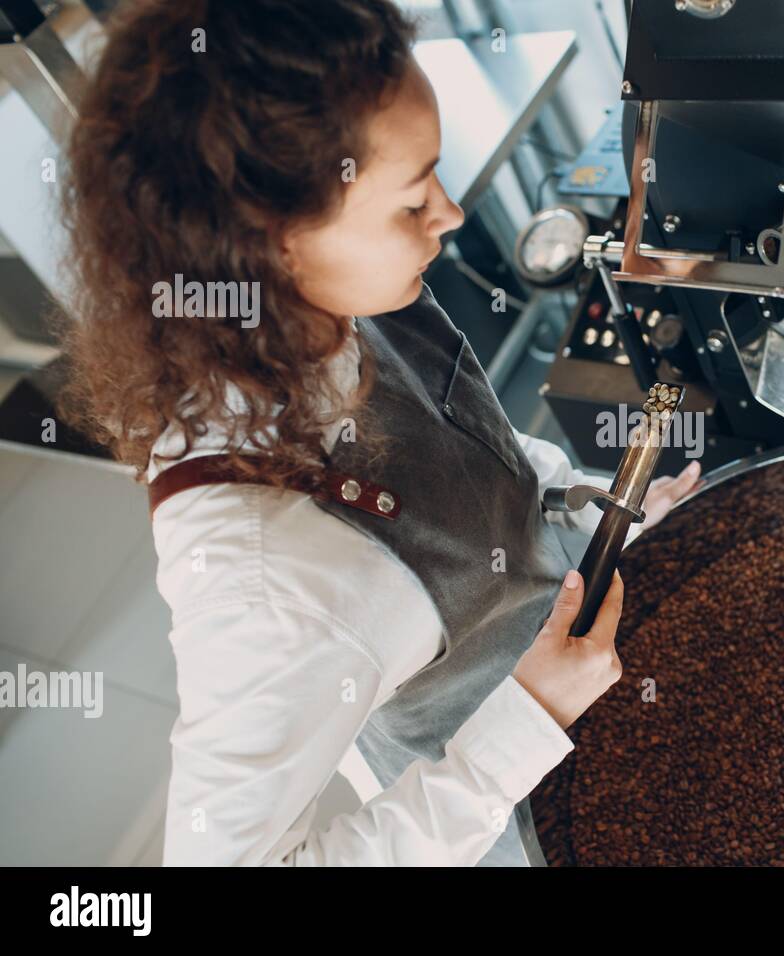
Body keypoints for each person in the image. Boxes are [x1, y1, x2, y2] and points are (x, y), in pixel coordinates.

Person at [55, 0, 701, 866]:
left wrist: (596, 515)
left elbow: (478, 451)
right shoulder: (267, 582)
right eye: (410, 202)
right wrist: (524, 726)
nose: (451, 215)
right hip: (525, 811)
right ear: (272, 244)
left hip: (598, 651)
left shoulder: (343, 301)